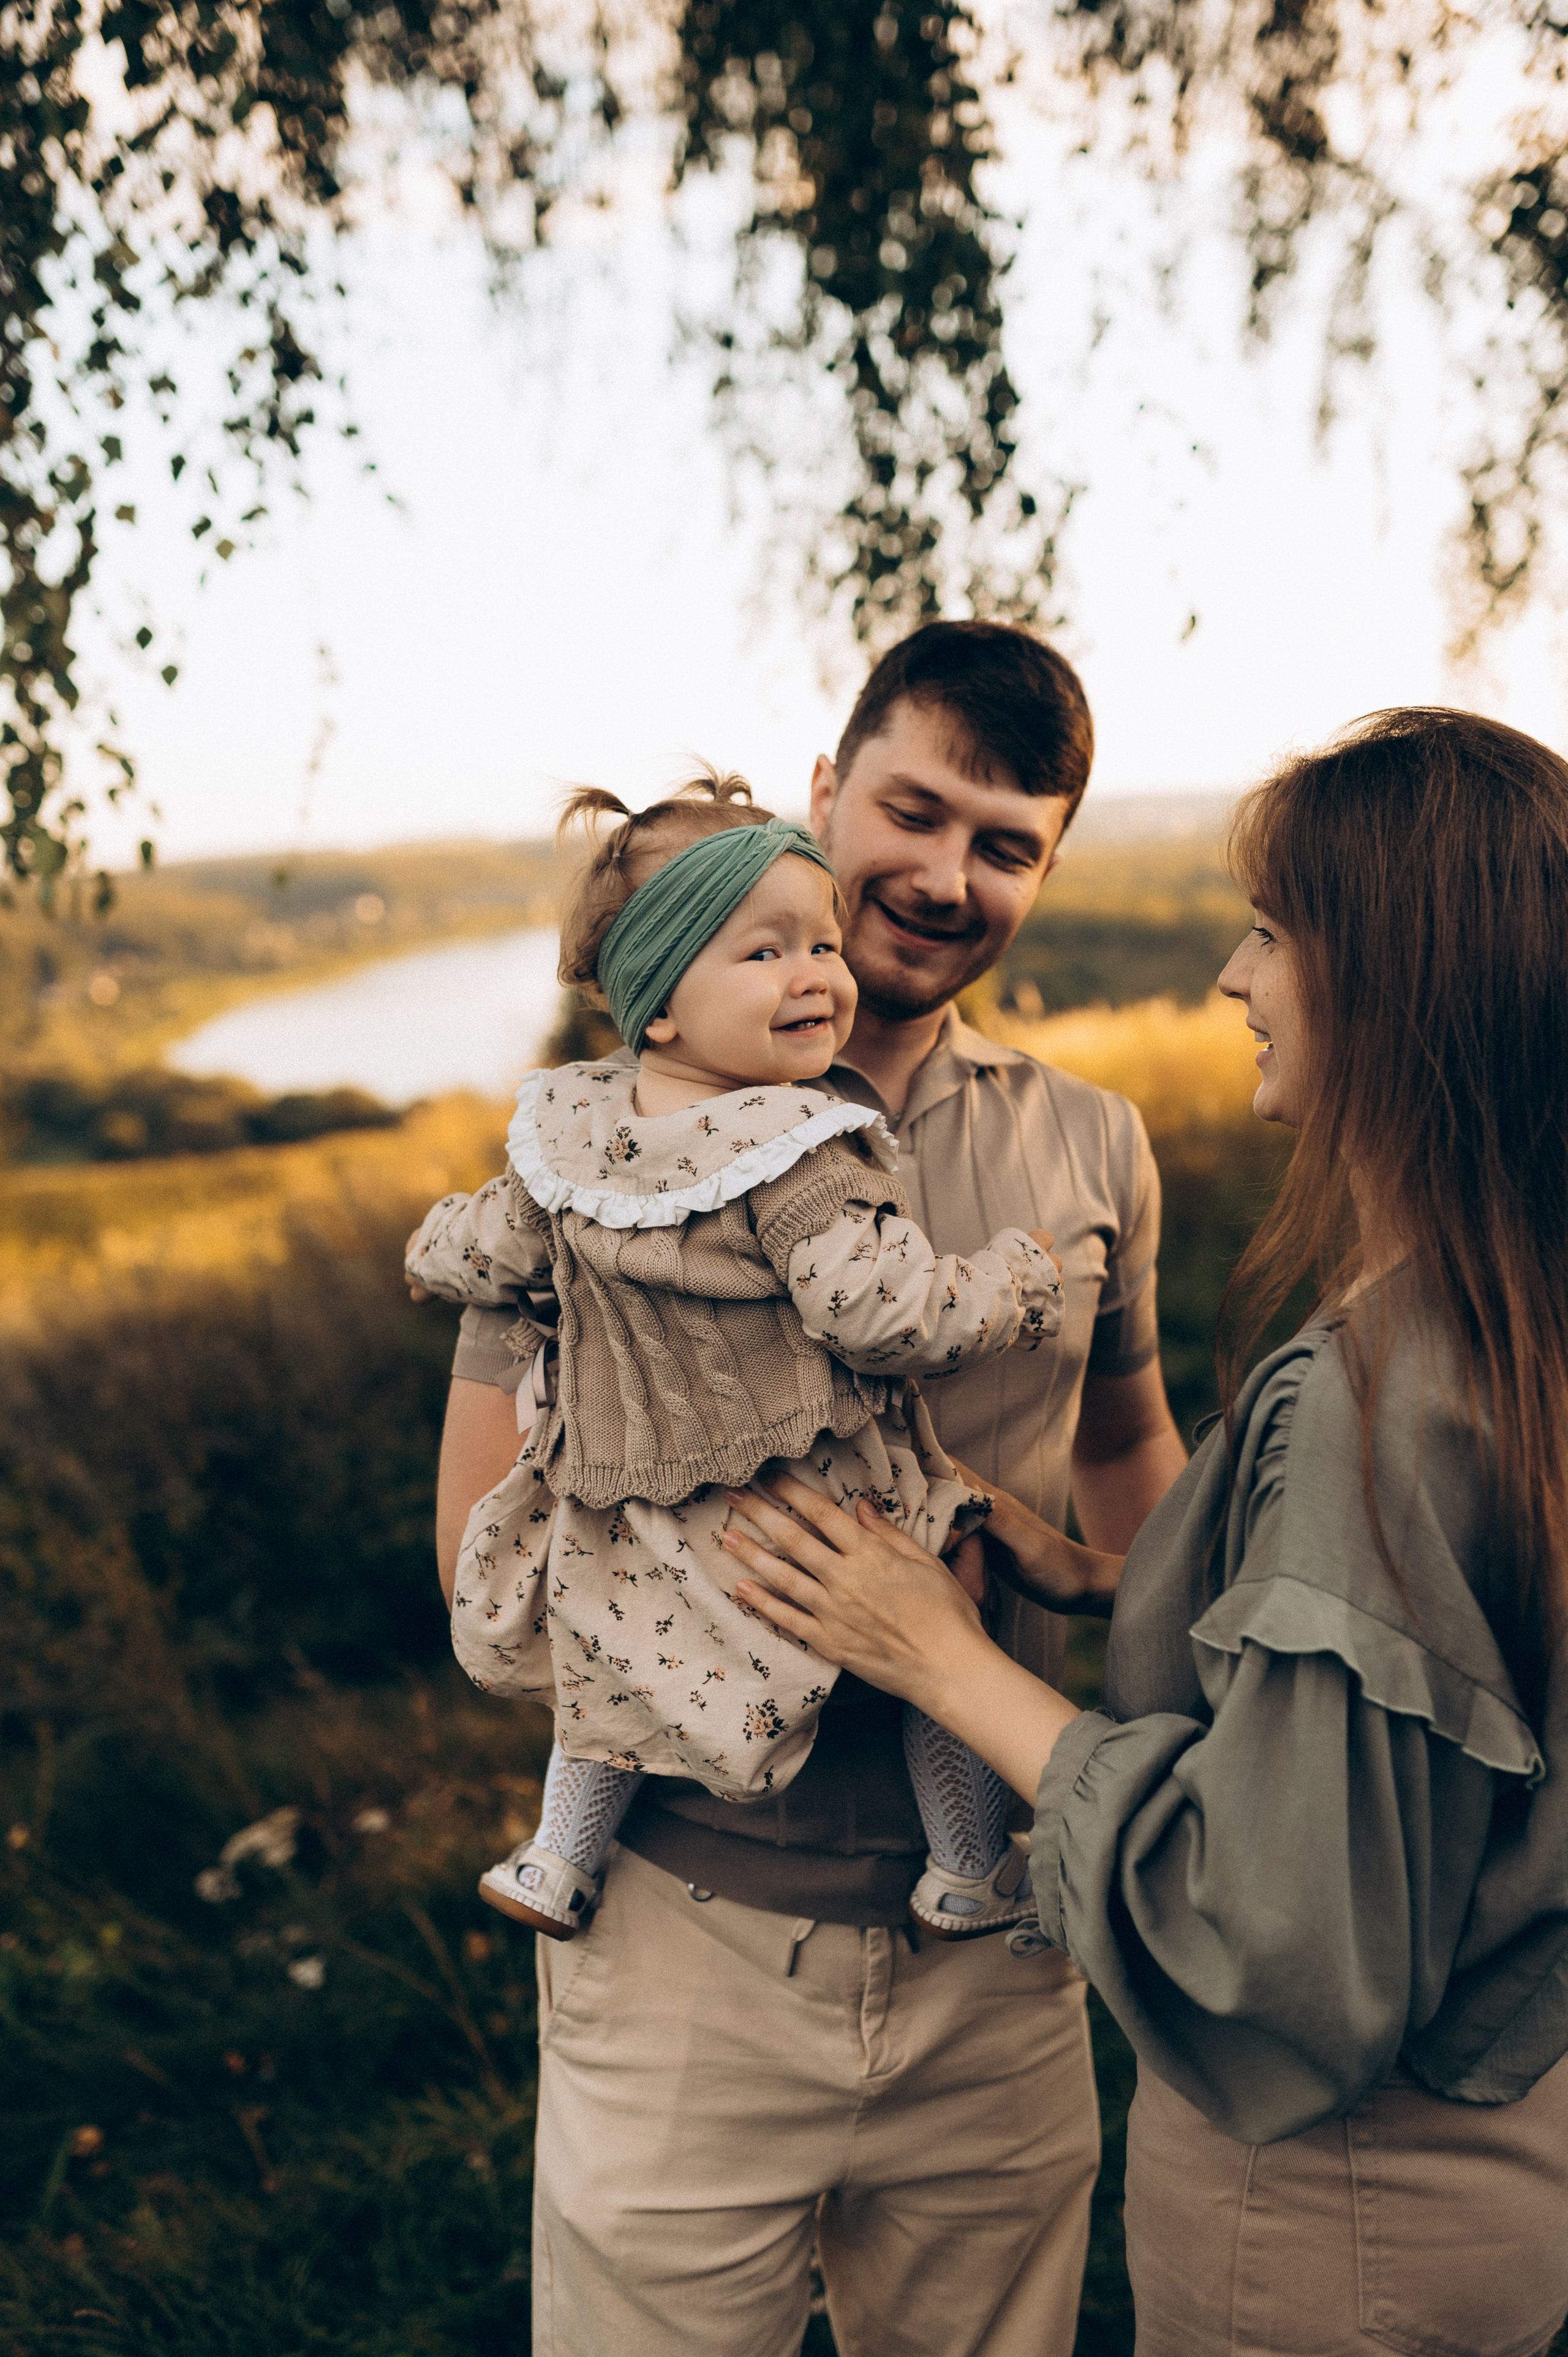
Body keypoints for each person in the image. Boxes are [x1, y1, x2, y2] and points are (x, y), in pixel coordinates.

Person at [723, 707, 1568, 2357]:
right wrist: (1114, 1579)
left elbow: (1271, 1933)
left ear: (1389, 983)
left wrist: (944, 1660)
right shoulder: (1515, 1328)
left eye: (1273, 933)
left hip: (1332, 2224)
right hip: (1512, 2164)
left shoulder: (1370, 1395)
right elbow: (1442, 1701)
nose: (1236, 979)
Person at [437, 620, 1188, 2357]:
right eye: (911, 813)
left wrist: (1164, 1731)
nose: (944, 877)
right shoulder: (607, 1140)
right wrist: (732, 1643)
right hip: (684, 1944)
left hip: (1004, 1955)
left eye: (1006, 846)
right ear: (825, 790)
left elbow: (1125, 1443)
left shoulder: (1092, 1144)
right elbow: (484, 1514)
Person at [404, 774, 1063, 1943]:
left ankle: (559, 1857)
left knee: (609, 1644)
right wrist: (1014, 1285)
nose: (816, 974)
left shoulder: (574, 1135)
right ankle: (967, 1864)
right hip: (810, 1502)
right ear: (659, 1004)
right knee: (952, 1590)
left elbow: (488, 1242)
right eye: (765, 953)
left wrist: (427, 1256)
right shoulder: (795, 1149)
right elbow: (883, 1315)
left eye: (823, 943)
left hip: (630, 1501)